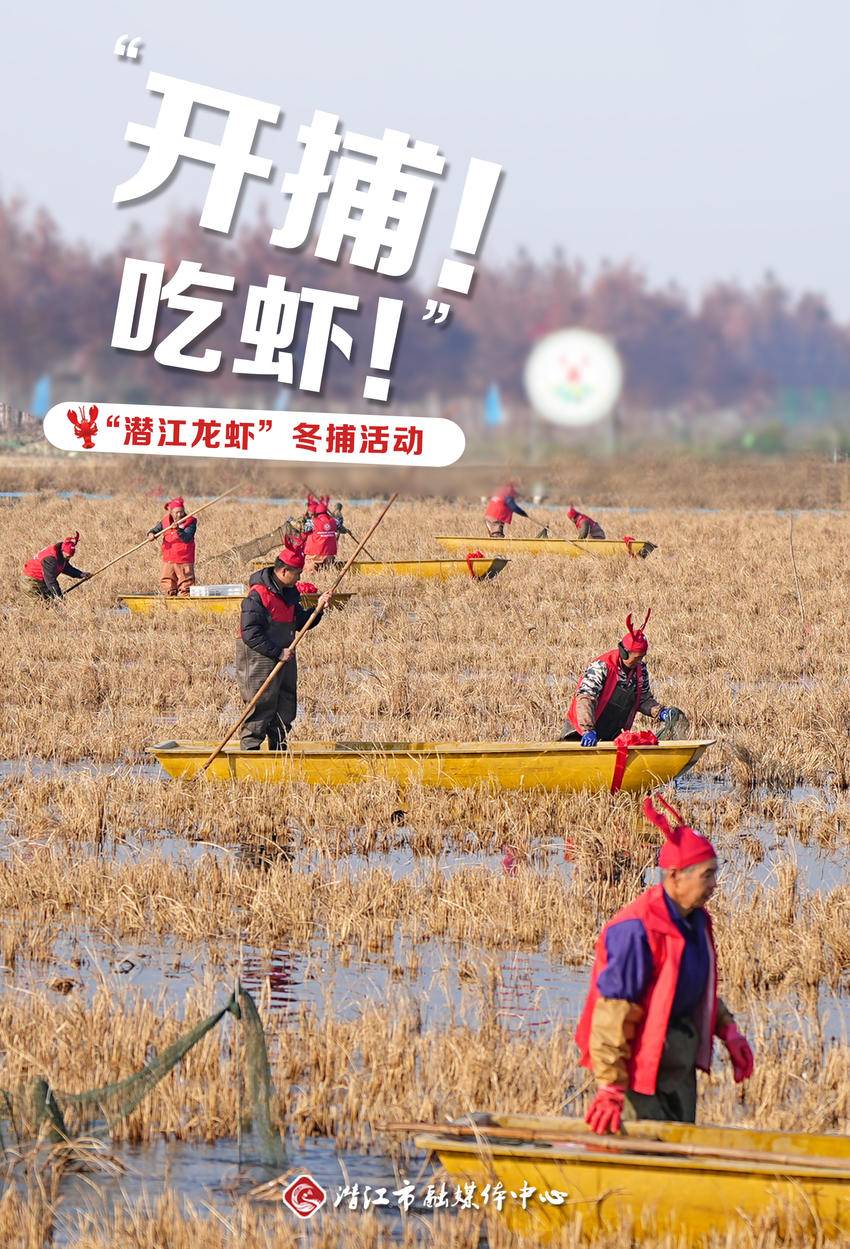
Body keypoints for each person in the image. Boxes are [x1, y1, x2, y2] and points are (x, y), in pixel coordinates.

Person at [575, 794, 754, 1131]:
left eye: (715, 874)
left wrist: (727, 1029)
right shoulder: (636, 930)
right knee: (639, 1152)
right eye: (706, 875)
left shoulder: (696, 920)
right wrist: (611, 1086)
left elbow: (690, 988)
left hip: (677, 1062)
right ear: (674, 876)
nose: (714, 885)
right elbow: (613, 1014)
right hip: (637, 1062)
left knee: (679, 1147)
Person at [235, 537, 330, 751]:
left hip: (285, 654)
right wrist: (278, 652)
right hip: (260, 656)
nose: (299, 578)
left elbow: (300, 622)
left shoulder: (289, 593)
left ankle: (279, 751)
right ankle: (250, 751)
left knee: (285, 703)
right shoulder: (257, 595)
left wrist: (318, 609)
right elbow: (249, 633)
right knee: (260, 704)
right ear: (284, 571)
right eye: (297, 573)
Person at [563, 611, 681, 744]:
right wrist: (587, 730)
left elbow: (643, 699)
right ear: (624, 653)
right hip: (579, 732)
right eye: (637, 657)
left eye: (642, 657)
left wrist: (660, 712)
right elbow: (585, 698)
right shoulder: (602, 667)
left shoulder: (640, 670)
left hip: (610, 732)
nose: (639, 661)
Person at [146, 497, 197, 597]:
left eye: (181, 512)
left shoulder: (190, 522)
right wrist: (151, 534)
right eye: (176, 512)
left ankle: (186, 601)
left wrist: (178, 530)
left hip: (184, 559)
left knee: (186, 584)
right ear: (171, 512)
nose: (179, 514)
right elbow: (155, 530)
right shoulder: (165, 521)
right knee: (167, 584)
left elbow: (187, 537)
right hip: (168, 559)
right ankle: (169, 601)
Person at [22, 533, 90, 600]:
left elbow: (65, 567)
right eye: (67, 556)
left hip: (42, 580)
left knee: (51, 601)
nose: (68, 558)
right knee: (41, 603)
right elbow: (50, 580)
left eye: (70, 556)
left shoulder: (60, 554)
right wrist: (59, 596)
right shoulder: (50, 559)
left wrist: (81, 574)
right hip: (32, 580)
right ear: (62, 551)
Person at [302, 494, 342, 575]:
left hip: (314, 554)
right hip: (329, 555)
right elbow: (340, 525)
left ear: (316, 513)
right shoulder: (334, 522)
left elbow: (303, 529)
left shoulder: (312, 522)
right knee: (327, 572)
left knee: (309, 572)